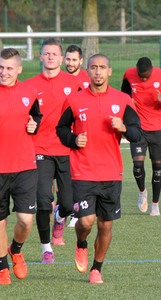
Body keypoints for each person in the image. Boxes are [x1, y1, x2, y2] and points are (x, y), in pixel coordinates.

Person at [56, 54, 142, 284]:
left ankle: (97, 268)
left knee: (105, 225)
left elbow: (137, 133)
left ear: (109, 72)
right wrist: (74, 140)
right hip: (83, 171)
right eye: (93, 67)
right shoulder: (74, 100)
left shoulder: (123, 100)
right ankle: (81, 243)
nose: (97, 72)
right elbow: (61, 129)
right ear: (87, 71)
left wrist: (123, 126)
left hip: (112, 173)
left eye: (102, 67)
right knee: (86, 222)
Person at [24, 38, 83, 264]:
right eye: (46, 53)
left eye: (54, 54)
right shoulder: (29, 85)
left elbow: (81, 113)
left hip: (66, 149)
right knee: (42, 200)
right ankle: (46, 248)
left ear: (61, 58)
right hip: (39, 149)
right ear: (40, 57)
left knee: (68, 204)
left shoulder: (75, 83)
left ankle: (60, 218)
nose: (50, 57)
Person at [0, 48, 42, 285]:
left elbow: (37, 117)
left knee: (25, 220)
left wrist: (34, 124)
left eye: (8, 68)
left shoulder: (30, 92)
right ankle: (2, 266)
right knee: (0, 221)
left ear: (19, 70)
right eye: (0, 68)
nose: (3, 73)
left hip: (25, 165)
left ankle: (16, 249)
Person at [121, 57, 161, 216]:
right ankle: (142, 192)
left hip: (157, 129)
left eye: (146, 76)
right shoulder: (129, 74)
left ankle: (155, 204)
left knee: (157, 168)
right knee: (137, 165)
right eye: (141, 76)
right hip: (138, 128)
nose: (144, 78)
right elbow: (123, 98)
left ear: (152, 69)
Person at [64, 45, 89, 228]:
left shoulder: (87, 80)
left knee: (77, 175)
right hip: (62, 133)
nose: (70, 63)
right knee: (62, 177)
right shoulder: (57, 78)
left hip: (81, 135)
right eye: (68, 59)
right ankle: (60, 208)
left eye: (74, 60)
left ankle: (76, 211)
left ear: (81, 61)